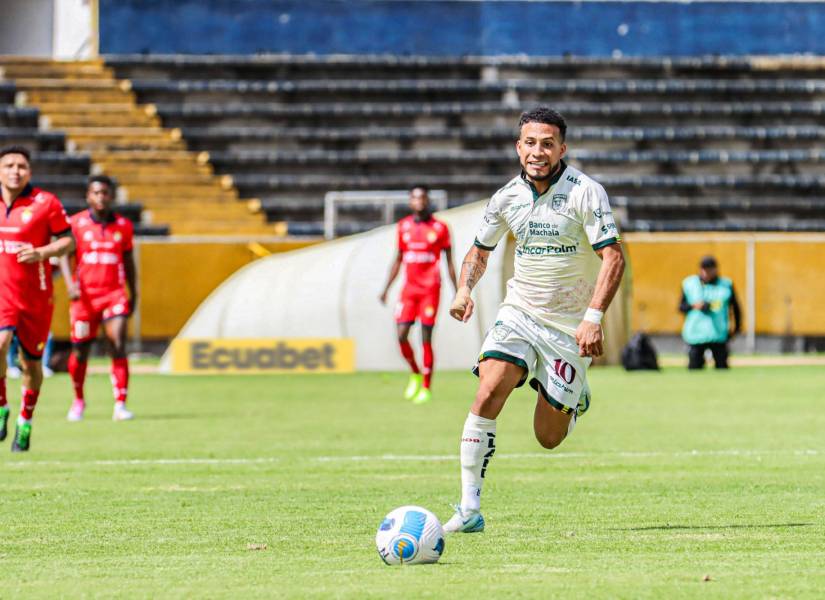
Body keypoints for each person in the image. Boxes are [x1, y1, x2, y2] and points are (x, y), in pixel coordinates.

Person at [443, 107, 625, 533]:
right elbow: (479, 251)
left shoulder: (586, 191)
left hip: (567, 328)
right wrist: (464, 288)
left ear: (562, 148)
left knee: (548, 437)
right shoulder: (505, 197)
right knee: (489, 388)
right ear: (518, 147)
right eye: (530, 142)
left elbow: (613, 257)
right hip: (520, 313)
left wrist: (593, 318)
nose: (537, 151)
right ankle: (469, 509)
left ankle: (574, 396)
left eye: (547, 143)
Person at [0, 145, 74, 451]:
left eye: (21, 166)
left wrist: (42, 252)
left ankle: (25, 421)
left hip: (35, 297)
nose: (15, 171)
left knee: (30, 366)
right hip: (2, 296)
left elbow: (68, 241)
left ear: (29, 171)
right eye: (9, 165)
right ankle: (2, 405)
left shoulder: (46, 203)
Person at [63, 175, 137, 421]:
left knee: (117, 343)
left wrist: (133, 291)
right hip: (84, 298)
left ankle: (120, 403)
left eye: (105, 192)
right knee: (81, 351)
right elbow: (63, 254)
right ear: (88, 196)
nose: (101, 197)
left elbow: (128, 261)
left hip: (113, 294)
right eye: (96, 193)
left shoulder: (124, 226)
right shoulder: (76, 224)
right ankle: (78, 400)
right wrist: (69, 284)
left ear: (111, 196)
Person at [379, 186, 457, 404]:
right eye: (415, 198)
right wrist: (386, 288)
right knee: (401, 334)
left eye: (422, 197)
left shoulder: (440, 228)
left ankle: (426, 386)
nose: (419, 201)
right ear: (410, 202)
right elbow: (398, 259)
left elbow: (449, 262)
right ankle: (415, 371)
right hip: (409, 290)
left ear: (427, 200)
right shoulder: (403, 226)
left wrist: (458, 291)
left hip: (430, 289)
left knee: (425, 338)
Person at [679, 255, 741, 369]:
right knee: (694, 367)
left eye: (710, 270)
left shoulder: (726, 285)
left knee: (722, 367)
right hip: (696, 333)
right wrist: (695, 306)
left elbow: (736, 308)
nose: (707, 273)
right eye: (704, 270)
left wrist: (736, 329)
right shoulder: (690, 284)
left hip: (718, 333)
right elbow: (681, 307)